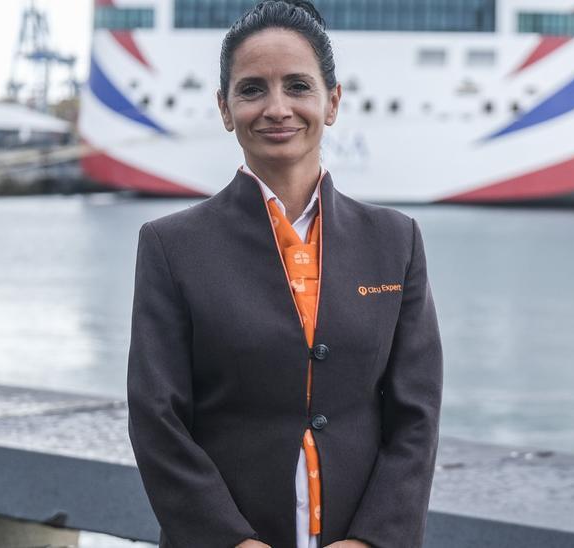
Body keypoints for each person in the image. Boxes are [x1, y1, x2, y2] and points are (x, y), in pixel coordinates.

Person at [125, 2, 444, 547]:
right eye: (252, 90)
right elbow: (158, 419)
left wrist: (372, 540)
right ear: (225, 108)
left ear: (333, 101)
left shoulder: (396, 241)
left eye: (298, 86)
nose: (277, 109)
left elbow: (417, 414)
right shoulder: (171, 246)